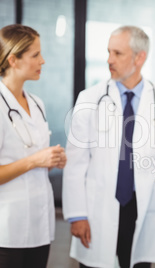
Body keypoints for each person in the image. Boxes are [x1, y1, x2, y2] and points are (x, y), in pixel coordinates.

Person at [62, 26, 155, 268]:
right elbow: (76, 160)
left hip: (145, 202)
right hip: (98, 205)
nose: (109, 60)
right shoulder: (89, 98)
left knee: (138, 263)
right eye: (108, 52)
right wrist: (77, 215)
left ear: (140, 58)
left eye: (117, 53)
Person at [0, 24, 67, 268]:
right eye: (36, 55)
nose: (43, 61)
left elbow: (34, 159)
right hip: (6, 230)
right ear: (13, 60)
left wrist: (51, 161)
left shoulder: (37, 103)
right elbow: (30, 160)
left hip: (40, 223)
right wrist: (35, 161)